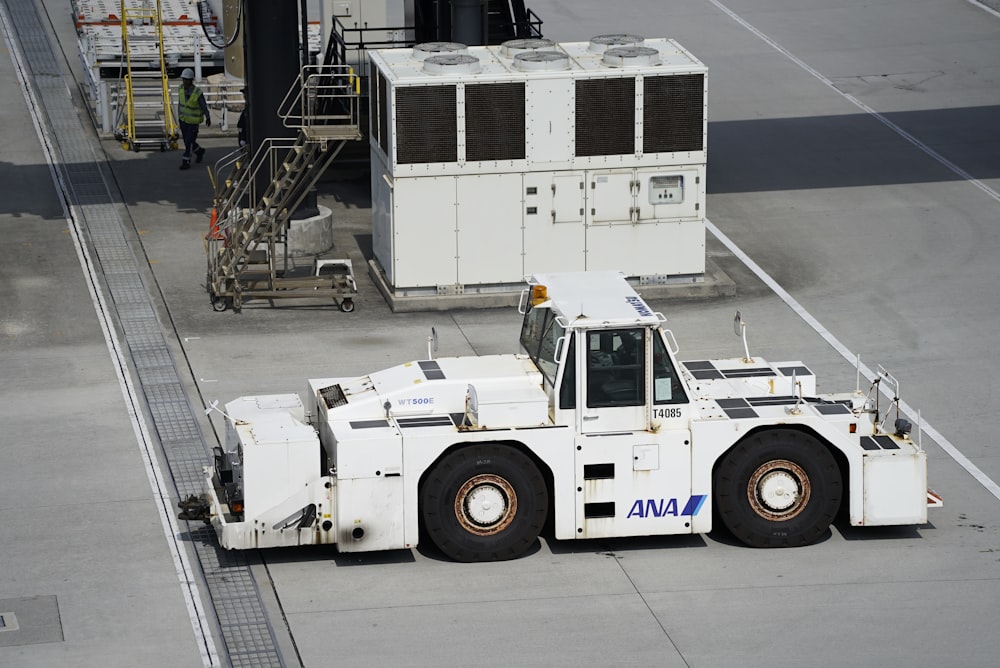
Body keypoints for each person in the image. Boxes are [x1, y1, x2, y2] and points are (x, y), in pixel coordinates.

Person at [177, 68, 211, 170]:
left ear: (191, 80)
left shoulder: (197, 93)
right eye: (183, 79)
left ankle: (186, 161)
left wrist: (208, 117)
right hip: (183, 120)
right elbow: (180, 104)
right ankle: (199, 151)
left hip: (193, 122)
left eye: (187, 79)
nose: (185, 82)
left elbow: (203, 106)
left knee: (188, 142)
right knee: (189, 141)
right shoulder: (181, 89)